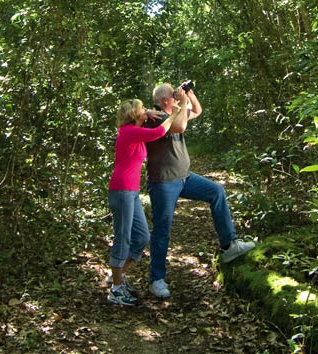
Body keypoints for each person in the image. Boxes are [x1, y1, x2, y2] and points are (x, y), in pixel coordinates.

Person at [144, 82, 255, 299]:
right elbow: (180, 127)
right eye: (173, 94)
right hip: (163, 183)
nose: (176, 96)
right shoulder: (154, 119)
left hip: (185, 178)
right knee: (162, 230)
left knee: (216, 192)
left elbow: (197, 111)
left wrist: (190, 95)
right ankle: (156, 279)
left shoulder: (176, 111)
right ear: (165, 99)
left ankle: (229, 244)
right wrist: (182, 101)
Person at [106, 94, 187, 306]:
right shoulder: (129, 132)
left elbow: (151, 124)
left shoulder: (134, 130)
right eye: (142, 108)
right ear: (135, 114)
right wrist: (176, 112)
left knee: (141, 237)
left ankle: (117, 276)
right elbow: (160, 131)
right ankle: (115, 289)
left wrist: (147, 113)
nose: (146, 110)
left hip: (131, 191)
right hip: (121, 190)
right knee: (122, 238)